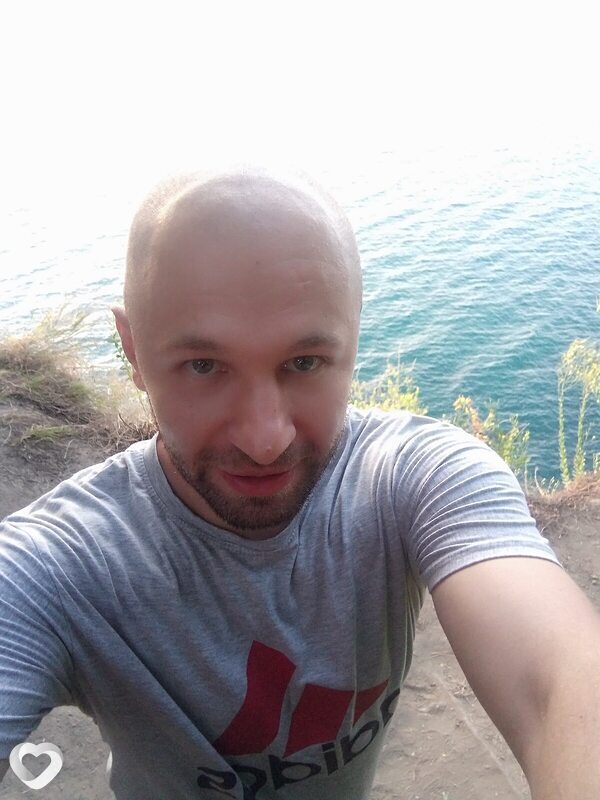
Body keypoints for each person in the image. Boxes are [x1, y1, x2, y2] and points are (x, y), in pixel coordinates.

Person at [1, 166, 599, 800]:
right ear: (132, 351)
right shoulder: (57, 565)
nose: (266, 439)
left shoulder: (419, 476)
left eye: (304, 362)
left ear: (353, 339)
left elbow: (559, 683)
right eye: (203, 365)